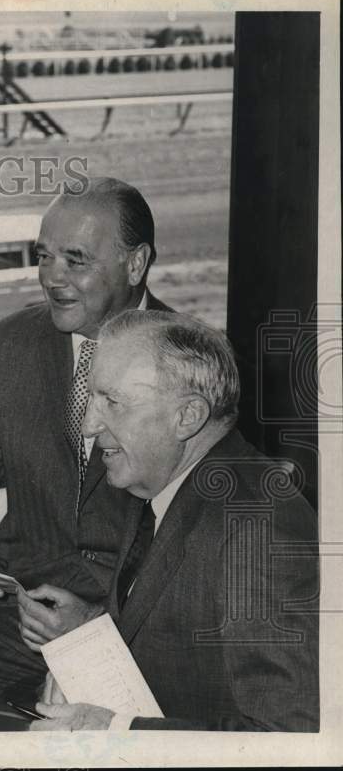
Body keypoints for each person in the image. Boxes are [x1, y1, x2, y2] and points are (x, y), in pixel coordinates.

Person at [0, 177, 172, 713]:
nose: (52, 278)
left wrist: (101, 621)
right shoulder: (6, 343)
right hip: (23, 605)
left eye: (75, 260)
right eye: (44, 256)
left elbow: (199, 531)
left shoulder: (189, 360)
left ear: (135, 263)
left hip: (140, 620)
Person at [30, 311, 318, 731]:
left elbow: (292, 737)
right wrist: (87, 639)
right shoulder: (160, 480)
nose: (89, 426)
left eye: (112, 402)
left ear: (188, 417)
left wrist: (115, 733)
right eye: (92, 398)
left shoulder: (257, 531)